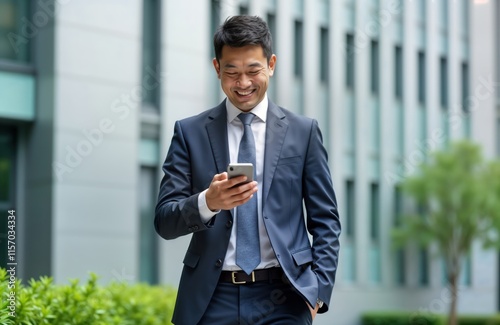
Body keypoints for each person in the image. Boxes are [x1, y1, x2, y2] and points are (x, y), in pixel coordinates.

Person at [155, 15, 341, 325]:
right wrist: (208, 203)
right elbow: (164, 221)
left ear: (271, 64)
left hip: (284, 297)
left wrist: (318, 292)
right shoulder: (190, 133)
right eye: (232, 72)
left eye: (253, 70)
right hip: (211, 298)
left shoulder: (303, 132)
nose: (243, 83)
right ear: (217, 68)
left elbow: (326, 220)